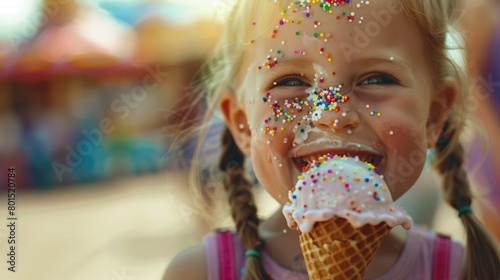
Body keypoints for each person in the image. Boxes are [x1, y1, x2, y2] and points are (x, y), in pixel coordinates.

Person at [164, 0, 500, 279]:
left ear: (434, 115)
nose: (333, 116)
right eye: (290, 81)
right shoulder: (200, 273)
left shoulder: (461, 271)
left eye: (377, 78)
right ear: (242, 125)